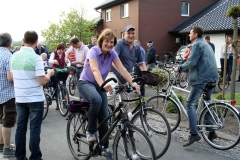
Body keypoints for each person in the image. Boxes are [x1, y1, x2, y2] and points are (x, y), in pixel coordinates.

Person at [77, 28, 140, 159]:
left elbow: (122, 69)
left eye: (112, 42)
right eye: (107, 41)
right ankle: (91, 131)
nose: (109, 44)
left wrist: (133, 83)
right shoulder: (93, 51)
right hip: (85, 83)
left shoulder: (112, 54)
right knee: (97, 100)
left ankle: (105, 147)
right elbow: (94, 70)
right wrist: (103, 84)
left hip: (99, 85)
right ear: (101, 41)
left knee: (105, 116)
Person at [11, 30, 55, 160]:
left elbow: (13, 77)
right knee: (35, 129)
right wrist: (49, 74)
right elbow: (42, 81)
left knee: (20, 128)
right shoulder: (36, 59)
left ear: (23, 41)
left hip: (20, 97)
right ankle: (35, 157)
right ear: (36, 42)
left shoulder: (14, 56)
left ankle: (20, 156)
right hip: (35, 98)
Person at [174, 26, 218, 147]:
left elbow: (191, 62)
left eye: (190, 33)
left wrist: (179, 68)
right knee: (206, 103)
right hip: (212, 77)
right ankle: (211, 131)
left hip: (202, 78)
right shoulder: (206, 45)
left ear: (196, 34)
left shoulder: (197, 45)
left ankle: (194, 134)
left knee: (190, 103)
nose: (189, 35)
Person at [106, 24, 147, 106]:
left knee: (125, 105)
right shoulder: (119, 44)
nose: (131, 35)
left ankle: (120, 118)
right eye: (128, 33)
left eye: (133, 33)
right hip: (113, 74)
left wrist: (147, 76)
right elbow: (112, 61)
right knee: (112, 93)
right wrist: (122, 73)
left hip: (125, 78)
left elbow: (141, 64)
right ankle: (106, 115)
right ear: (124, 34)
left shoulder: (137, 48)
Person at [0, 32, 16, 157]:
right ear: (9, 43)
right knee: (7, 121)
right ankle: (6, 148)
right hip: (7, 93)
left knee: (1, 119)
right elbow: (10, 77)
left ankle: (1, 143)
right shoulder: (8, 55)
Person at [49, 42, 70, 110]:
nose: (61, 51)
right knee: (56, 87)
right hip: (55, 71)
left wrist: (68, 63)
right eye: (60, 50)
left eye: (62, 50)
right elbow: (50, 60)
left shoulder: (64, 53)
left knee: (63, 86)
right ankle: (58, 104)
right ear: (57, 49)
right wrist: (54, 61)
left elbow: (67, 60)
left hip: (62, 70)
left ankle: (64, 103)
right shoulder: (53, 53)